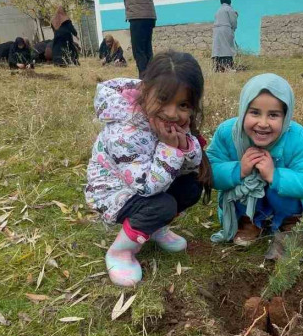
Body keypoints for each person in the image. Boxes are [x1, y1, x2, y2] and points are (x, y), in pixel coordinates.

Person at [85, 51, 213, 287]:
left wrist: (183, 144)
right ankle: (120, 251)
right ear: (145, 91)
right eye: (164, 99)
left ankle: (154, 228)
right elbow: (145, 187)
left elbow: (189, 166)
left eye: (183, 105)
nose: (172, 113)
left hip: (150, 180)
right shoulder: (125, 131)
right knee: (161, 205)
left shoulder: (168, 122)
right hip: (113, 191)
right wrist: (169, 148)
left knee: (191, 187)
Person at [207, 73, 303, 246]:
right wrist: (238, 170)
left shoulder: (297, 137)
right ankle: (248, 221)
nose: (263, 123)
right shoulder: (228, 133)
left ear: (286, 117)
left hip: (286, 204)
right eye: (254, 112)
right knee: (246, 180)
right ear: (243, 110)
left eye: (273, 115)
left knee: (277, 186)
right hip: (245, 203)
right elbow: (209, 171)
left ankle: (290, 222)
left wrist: (274, 175)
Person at [212, 0, 238, 72]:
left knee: (218, 48)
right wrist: (234, 27)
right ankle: (228, 67)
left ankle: (217, 68)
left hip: (216, 30)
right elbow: (233, 21)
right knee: (227, 48)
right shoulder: (229, 9)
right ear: (229, 2)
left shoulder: (218, 10)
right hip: (225, 29)